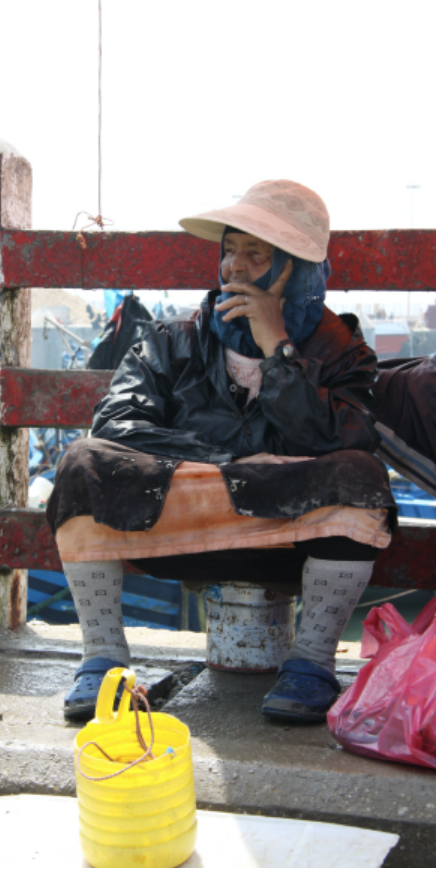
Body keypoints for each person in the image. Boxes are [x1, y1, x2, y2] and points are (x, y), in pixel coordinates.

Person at [47, 180, 391, 725]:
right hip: (178, 529)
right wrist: (228, 466)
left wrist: (278, 349)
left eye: (257, 253)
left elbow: (342, 443)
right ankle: (104, 662)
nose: (234, 265)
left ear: (298, 269)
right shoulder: (171, 339)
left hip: (287, 541)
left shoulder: (343, 354)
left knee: (360, 475)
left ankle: (311, 665)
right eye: (230, 248)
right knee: (83, 463)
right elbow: (117, 424)